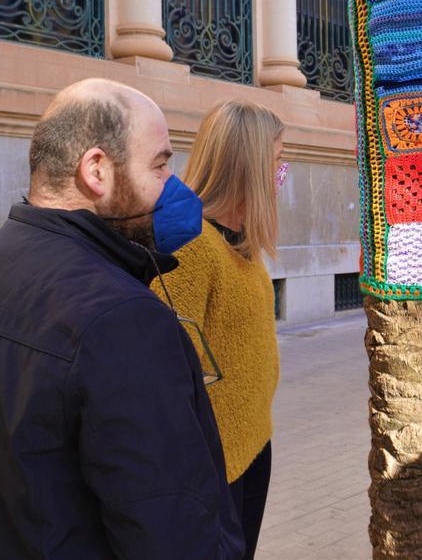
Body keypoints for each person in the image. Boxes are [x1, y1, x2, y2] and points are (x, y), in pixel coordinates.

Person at [0, 79, 244, 559]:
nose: (172, 186)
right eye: (160, 164)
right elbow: (174, 534)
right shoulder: (124, 321)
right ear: (97, 169)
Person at [151, 100, 285, 558]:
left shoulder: (242, 243)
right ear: (247, 167)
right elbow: (167, 377)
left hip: (251, 444)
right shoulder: (191, 249)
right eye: (276, 162)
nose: (281, 175)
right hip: (212, 469)